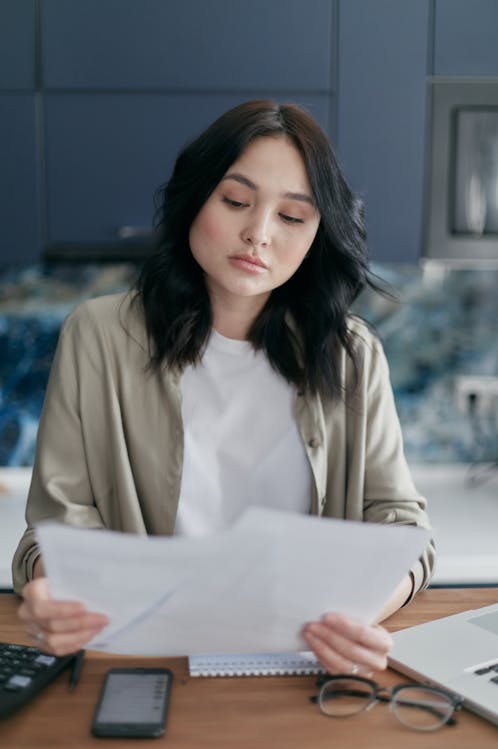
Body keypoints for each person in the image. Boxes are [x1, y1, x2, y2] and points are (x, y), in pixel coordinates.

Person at [13, 100, 435, 675]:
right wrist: (51, 592)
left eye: (292, 217)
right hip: (142, 663)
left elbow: (405, 532)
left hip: (301, 668)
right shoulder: (99, 336)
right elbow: (52, 533)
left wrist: (360, 620)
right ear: (196, 199)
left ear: (317, 234)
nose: (257, 234)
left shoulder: (352, 354)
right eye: (236, 201)